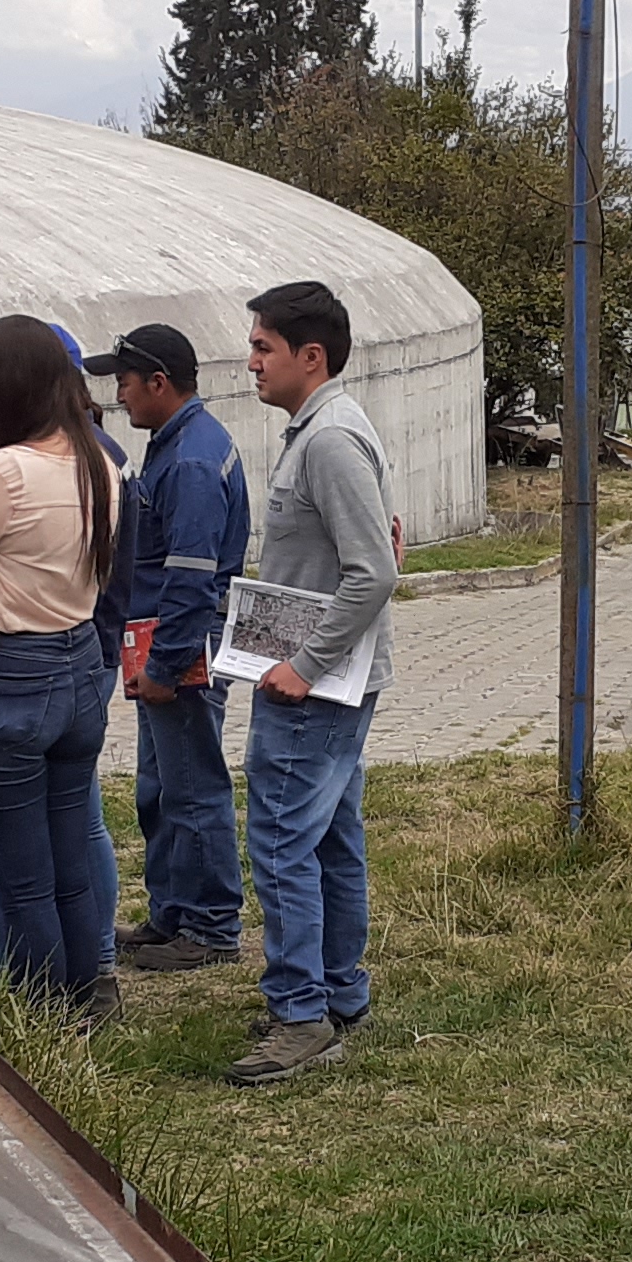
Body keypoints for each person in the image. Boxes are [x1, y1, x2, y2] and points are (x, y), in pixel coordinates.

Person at [0, 315, 121, 1011]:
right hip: (76, 666)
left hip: (3, 673)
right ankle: (86, 990)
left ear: (10, 386)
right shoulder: (99, 462)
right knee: (71, 856)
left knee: (18, 871)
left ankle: (36, 1012)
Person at [231, 279, 394, 1085]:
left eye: (263, 348)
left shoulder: (329, 438)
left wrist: (301, 665)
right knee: (329, 835)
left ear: (310, 356)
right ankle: (338, 988)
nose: (251, 361)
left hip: (316, 686)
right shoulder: (321, 429)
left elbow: (374, 572)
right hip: (322, 679)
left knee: (283, 841)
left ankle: (300, 1014)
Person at [86, 322, 251, 970]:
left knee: (192, 786)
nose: (119, 395)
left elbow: (189, 575)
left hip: (181, 645)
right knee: (161, 786)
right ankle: (171, 914)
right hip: (164, 642)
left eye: (125, 383)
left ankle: (210, 927)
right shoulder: (175, 442)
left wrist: (165, 664)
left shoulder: (188, 459)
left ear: (159, 382)